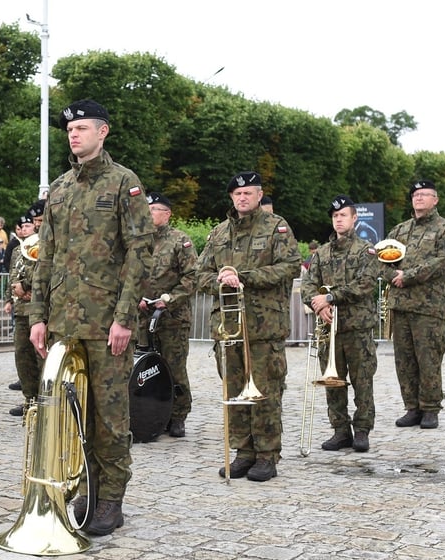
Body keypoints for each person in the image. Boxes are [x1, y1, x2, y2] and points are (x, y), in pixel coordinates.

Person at [29, 99, 155, 536]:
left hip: (106, 323)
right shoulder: (60, 188)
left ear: (103, 132)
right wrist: (38, 316)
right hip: (64, 322)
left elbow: (140, 252)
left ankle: (111, 499)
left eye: (82, 128)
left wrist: (124, 318)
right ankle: (85, 487)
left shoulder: (124, 182)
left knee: (110, 415)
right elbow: (46, 257)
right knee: (70, 414)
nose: (74, 135)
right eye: (69, 129)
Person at [196, 171, 300, 482]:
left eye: (249, 193)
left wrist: (244, 277)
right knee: (235, 391)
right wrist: (218, 279)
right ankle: (243, 451)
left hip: (264, 326)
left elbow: (290, 266)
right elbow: (198, 275)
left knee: (265, 391)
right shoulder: (218, 233)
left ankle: (267, 454)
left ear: (258, 196)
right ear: (231, 197)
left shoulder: (276, 227)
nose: (243, 198)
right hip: (228, 328)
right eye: (237, 194)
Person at [300, 195, 378, 452]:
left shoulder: (366, 250)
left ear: (354, 218)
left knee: (362, 380)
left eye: (343, 215)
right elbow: (309, 285)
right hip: (330, 329)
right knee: (333, 382)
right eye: (335, 216)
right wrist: (318, 304)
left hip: (357, 327)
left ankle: (363, 430)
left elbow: (365, 284)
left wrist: (331, 297)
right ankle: (340, 430)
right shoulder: (322, 253)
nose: (338, 220)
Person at [381, 180, 445, 430]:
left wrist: (409, 275)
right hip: (401, 306)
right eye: (415, 194)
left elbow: (444, 261)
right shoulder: (400, 230)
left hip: (428, 308)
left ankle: (430, 408)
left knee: (428, 359)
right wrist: (393, 276)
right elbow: (381, 259)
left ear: (435, 200)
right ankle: (412, 407)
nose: (419, 198)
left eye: (425, 194)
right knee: (404, 361)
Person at [137, 191, 198, 438]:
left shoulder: (179, 241)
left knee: (174, 367)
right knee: (146, 368)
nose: (150, 214)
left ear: (167, 214)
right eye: (147, 209)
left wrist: (169, 299)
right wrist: (137, 297)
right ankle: (153, 413)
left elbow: (192, 276)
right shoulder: (139, 241)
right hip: (143, 316)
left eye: (155, 210)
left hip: (172, 318)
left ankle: (178, 415)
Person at [3, 212, 41, 416]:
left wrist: (29, 289)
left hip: (38, 309)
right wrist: (10, 298)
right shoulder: (18, 250)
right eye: (25, 225)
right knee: (22, 356)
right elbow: (12, 275)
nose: (28, 228)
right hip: (20, 310)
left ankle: (45, 400)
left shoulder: (44, 246)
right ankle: (30, 399)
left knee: (40, 357)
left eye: (32, 224)